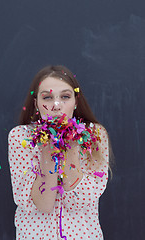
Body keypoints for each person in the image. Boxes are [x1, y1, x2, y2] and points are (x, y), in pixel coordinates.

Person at [8, 65, 111, 240]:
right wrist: (48, 152)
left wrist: (70, 149)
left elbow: (78, 201)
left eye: (65, 97)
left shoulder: (95, 135)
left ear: (76, 102)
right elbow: (44, 205)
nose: (56, 105)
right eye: (47, 97)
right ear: (37, 104)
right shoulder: (20, 137)